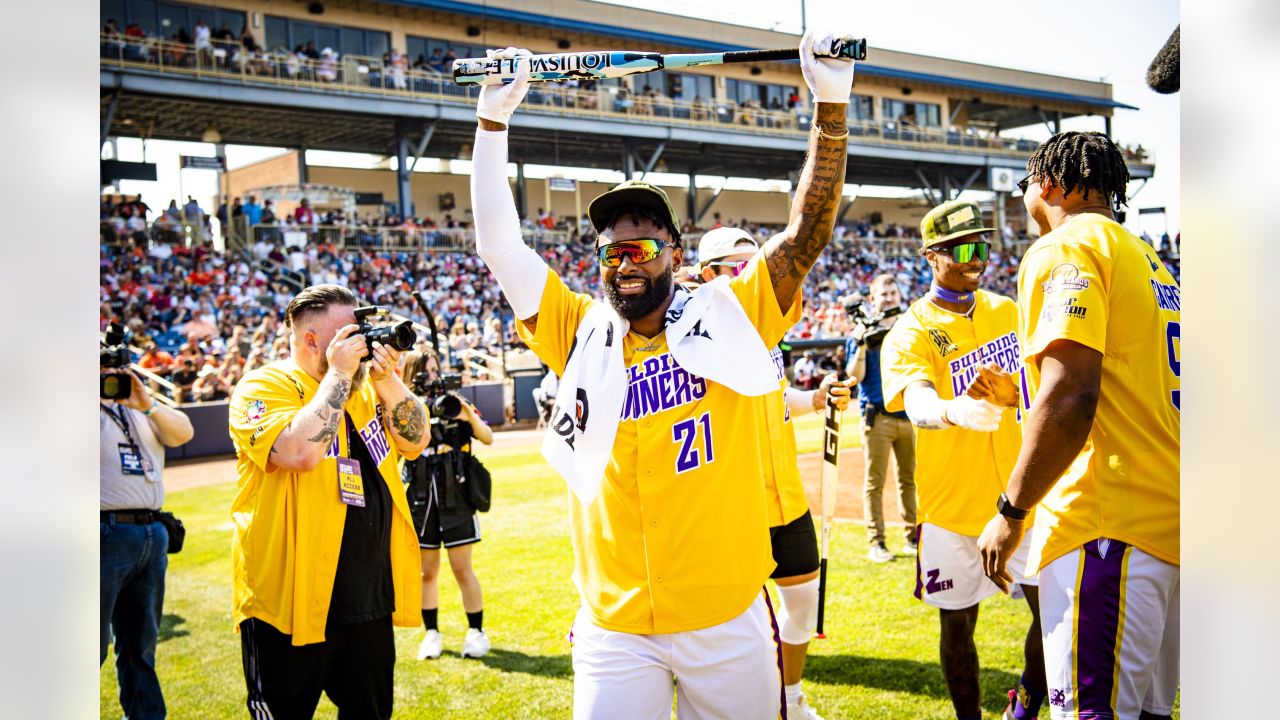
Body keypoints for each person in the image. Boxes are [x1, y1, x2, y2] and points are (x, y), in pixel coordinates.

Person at [468, 29, 856, 719]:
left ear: (673, 254)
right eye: (611, 250)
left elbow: (806, 234)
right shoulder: (578, 330)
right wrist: (492, 122)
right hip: (615, 627)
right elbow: (500, 245)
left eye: (643, 245)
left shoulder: (731, 313)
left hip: (726, 617)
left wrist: (831, 105)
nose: (626, 261)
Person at [976, 132, 1180, 720]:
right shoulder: (1150, 258)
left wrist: (1011, 512)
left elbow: (1072, 395)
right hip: (1167, 524)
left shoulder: (1068, 245)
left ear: (1050, 184)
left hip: (1108, 521)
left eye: (1025, 188)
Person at [227, 284, 429, 719]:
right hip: (289, 600)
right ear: (312, 341)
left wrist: (386, 378)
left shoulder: (366, 388)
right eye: (347, 336)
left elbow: (417, 440)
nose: (360, 344)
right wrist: (338, 375)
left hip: (366, 598)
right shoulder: (263, 386)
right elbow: (299, 453)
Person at [879, 200, 1045, 720]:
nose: (977, 259)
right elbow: (915, 399)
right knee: (956, 627)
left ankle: (1024, 704)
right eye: (964, 249)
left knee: (1055, 611)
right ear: (932, 256)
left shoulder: (1010, 310)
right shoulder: (911, 329)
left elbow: (1043, 386)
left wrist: (1015, 392)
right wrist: (951, 410)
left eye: (983, 247)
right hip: (952, 510)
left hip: (1024, 497)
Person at [695, 226, 853, 720]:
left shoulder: (766, 336)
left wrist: (815, 399)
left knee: (803, 605)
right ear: (708, 275)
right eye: (740, 268)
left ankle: (793, 694)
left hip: (786, 495)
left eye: (755, 266)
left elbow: (774, 400)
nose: (755, 278)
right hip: (731, 506)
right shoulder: (692, 341)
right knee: (729, 626)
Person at [101, 367, 194, 720]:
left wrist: (146, 403)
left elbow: (183, 432)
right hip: (101, 529)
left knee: (140, 649)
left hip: (149, 532)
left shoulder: (140, 407)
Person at [398, 351, 496, 661]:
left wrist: (466, 414)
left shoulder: (456, 403)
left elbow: (488, 437)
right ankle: (431, 634)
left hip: (457, 495)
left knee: (461, 568)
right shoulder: (404, 407)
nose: (433, 377)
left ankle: (476, 632)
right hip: (422, 497)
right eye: (426, 371)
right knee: (427, 572)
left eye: (436, 370)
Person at [843, 274, 917, 563]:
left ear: (899, 295)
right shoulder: (862, 331)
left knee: (908, 480)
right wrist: (861, 344)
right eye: (882, 293)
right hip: (877, 416)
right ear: (871, 299)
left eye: (892, 291)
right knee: (875, 481)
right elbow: (853, 377)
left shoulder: (908, 327)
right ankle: (877, 542)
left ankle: (912, 537)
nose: (888, 296)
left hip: (907, 415)